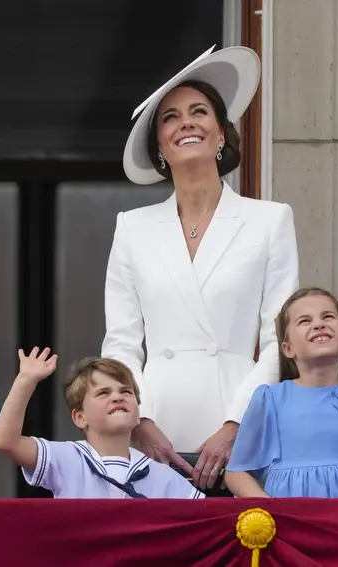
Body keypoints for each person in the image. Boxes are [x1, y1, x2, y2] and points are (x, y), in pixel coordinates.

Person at [105, 45, 299, 493]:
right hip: (155, 429)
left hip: (241, 427)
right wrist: (139, 420)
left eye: (199, 112)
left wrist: (236, 424)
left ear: (220, 135)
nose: (186, 122)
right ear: (159, 146)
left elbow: (278, 340)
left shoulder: (269, 220)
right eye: (170, 117)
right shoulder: (132, 228)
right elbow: (121, 342)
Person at [224, 287, 338, 498]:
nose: (319, 324)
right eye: (305, 321)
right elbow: (236, 472)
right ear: (288, 349)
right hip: (288, 523)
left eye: (328, 316)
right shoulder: (270, 399)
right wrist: (271, 510)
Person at [0, 349, 202, 499]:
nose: (117, 397)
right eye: (104, 393)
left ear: (139, 414)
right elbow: (7, 442)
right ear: (79, 417)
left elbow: (204, 522)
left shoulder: (162, 476)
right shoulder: (66, 458)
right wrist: (26, 379)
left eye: (126, 391)